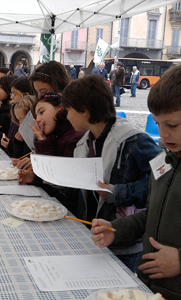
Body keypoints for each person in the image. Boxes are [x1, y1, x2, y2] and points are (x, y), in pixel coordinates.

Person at [91, 66, 181, 299]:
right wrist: (116, 229)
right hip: (149, 284)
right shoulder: (165, 160)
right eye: (157, 123)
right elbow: (152, 214)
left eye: (172, 125)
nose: (162, 134)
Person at [62, 74, 162, 272]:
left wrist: (118, 192)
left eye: (68, 110)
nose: (66, 116)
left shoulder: (134, 141)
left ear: (84, 110)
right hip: (95, 234)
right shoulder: (85, 142)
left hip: (124, 243)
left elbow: (161, 180)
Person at [18, 92, 85, 215]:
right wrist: (34, 177)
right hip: (55, 204)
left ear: (60, 109)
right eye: (36, 114)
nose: (38, 119)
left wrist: (43, 141)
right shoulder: (54, 135)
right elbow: (48, 176)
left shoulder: (73, 138)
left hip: (69, 210)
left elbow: (59, 180)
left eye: (42, 112)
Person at [0, 76, 33, 158]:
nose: (11, 97)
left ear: (25, 95)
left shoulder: (26, 116)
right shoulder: (14, 110)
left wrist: (11, 146)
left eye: (14, 93)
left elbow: (23, 151)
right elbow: (9, 135)